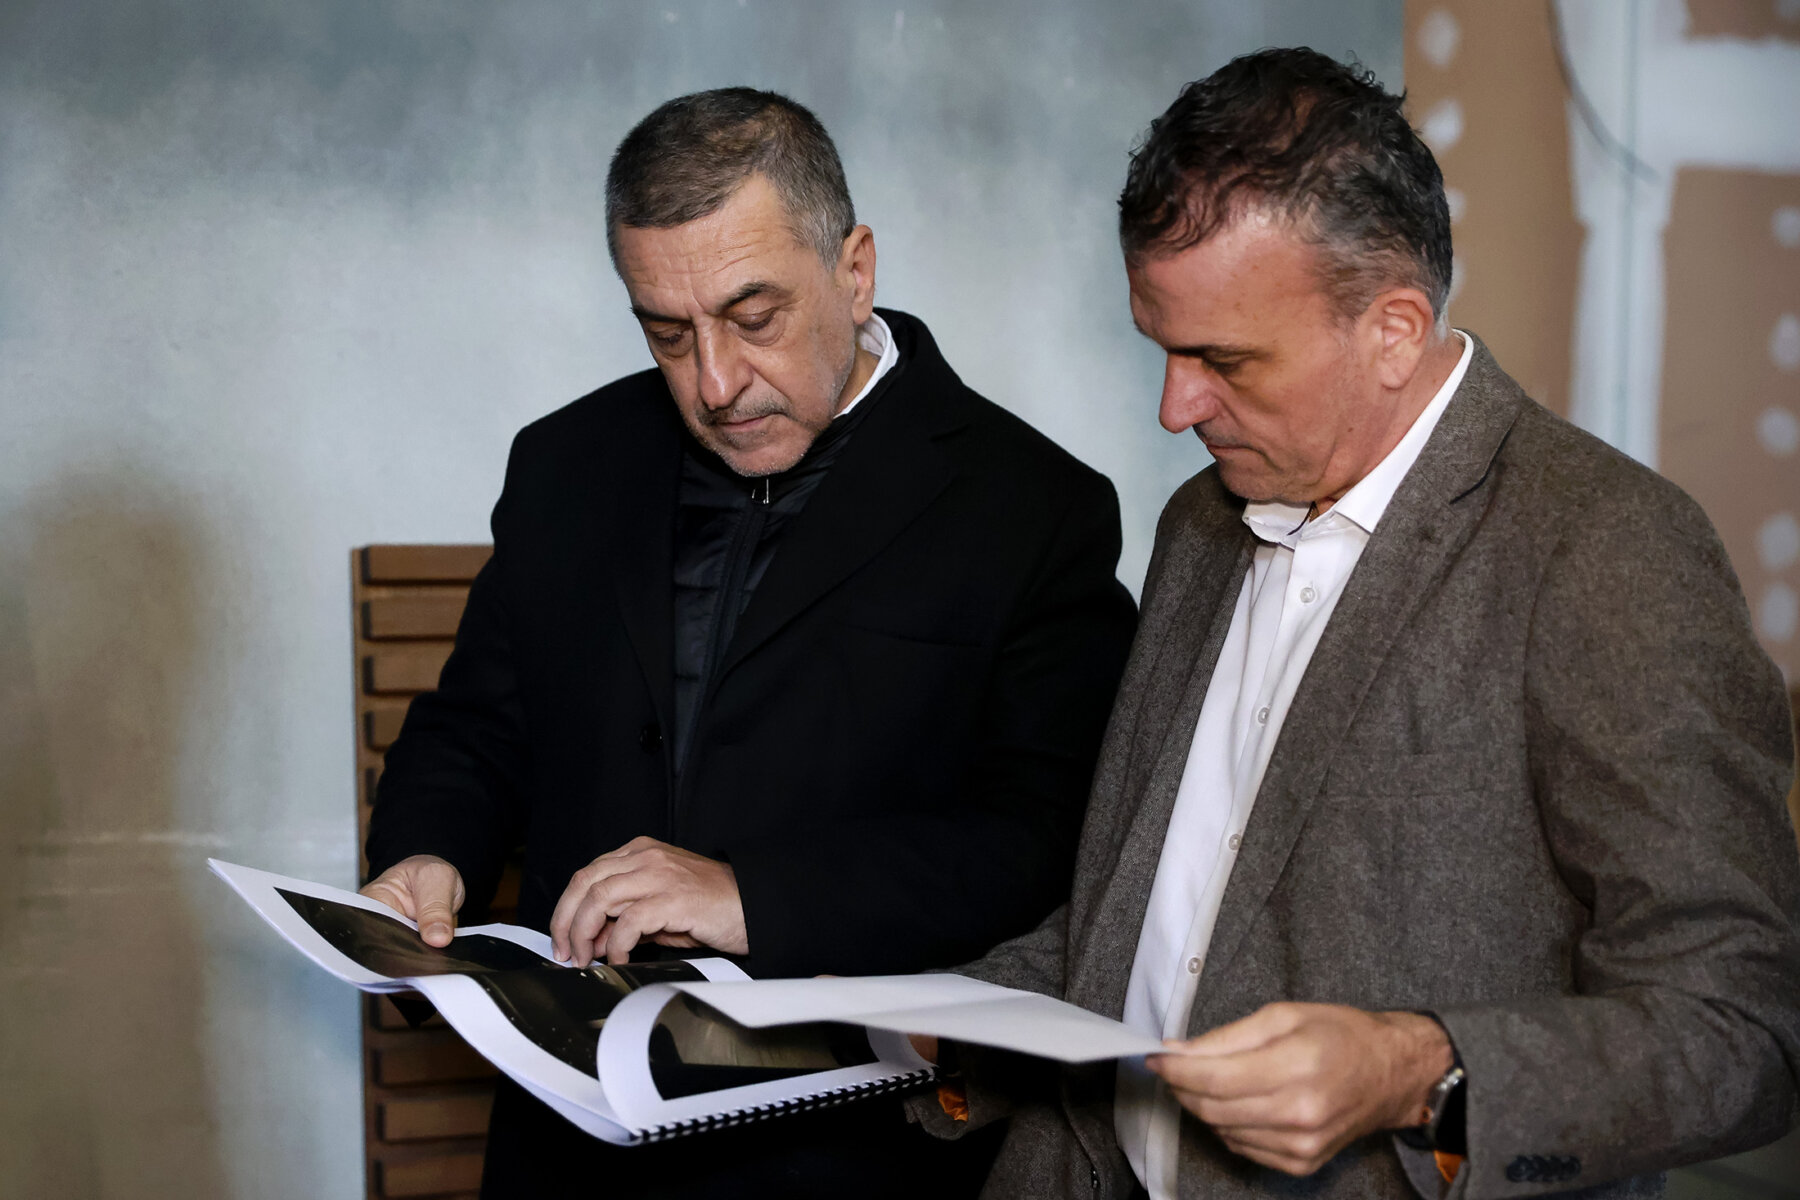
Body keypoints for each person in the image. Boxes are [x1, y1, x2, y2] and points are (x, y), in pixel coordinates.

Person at [912, 49, 1800, 1199]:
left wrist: (1416, 1072)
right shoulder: (1201, 522)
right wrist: (950, 1016)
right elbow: (1164, 909)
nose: (1175, 407)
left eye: (1223, 359)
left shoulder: (1610, 550)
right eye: (1163, 349)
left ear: (1393, 330)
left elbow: (1741, 1026)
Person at [359, 87, 1137, 1198]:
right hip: (567, 1152)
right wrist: (428, 852)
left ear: (855, 270)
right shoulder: (563, 462)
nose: (715, 385)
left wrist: (752, 896)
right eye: (668, 334)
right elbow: (478, 726)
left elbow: (1048, 839)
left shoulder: (1035, 507)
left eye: (754, 318)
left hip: (858, 1158)